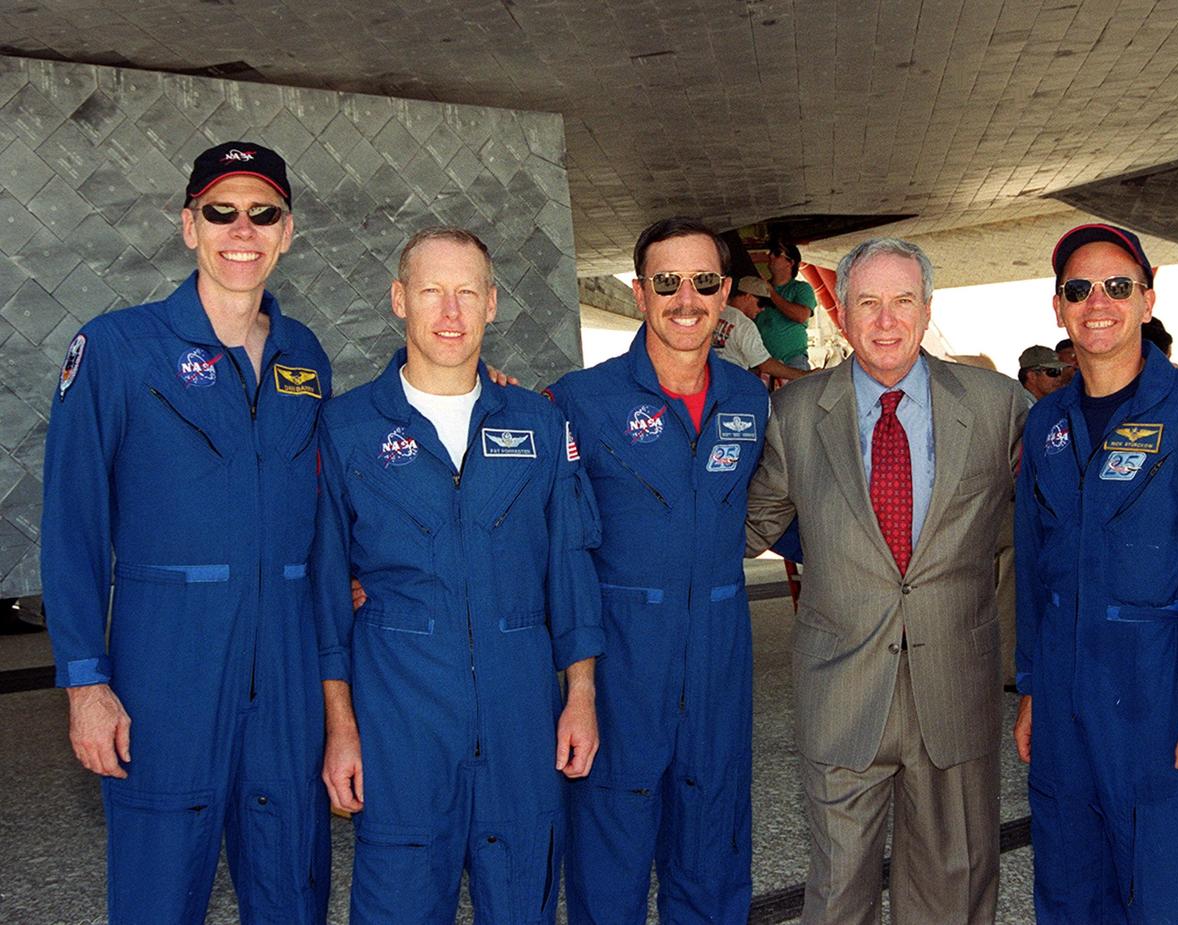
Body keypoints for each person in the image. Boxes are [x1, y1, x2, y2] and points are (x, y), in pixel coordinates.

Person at [41, 141, 332, 922]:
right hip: (166, 674)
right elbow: (71, 524)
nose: (243, 230)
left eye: (262, 213)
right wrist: (85, 682)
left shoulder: (305, 356)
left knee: (291, 886)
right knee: (159, 892)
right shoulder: (114, 349)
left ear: (288, 231)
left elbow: (334, 497)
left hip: (287, 680)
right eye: (221, 211)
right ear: (188, 226)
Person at [312, 228, 604, 923]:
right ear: (398, 299)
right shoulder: (346, 427)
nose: (450, 311)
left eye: (467, 292)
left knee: (523, 898)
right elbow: (324, 592)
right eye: (431, 291)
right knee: (399, 900)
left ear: (492, 304)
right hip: (400, 718)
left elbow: (569, 566)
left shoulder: (537, 422)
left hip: (520, 716)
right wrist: (340, 726)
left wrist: (582, 693)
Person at [746, 236, 1026, 924]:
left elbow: (1044, 537)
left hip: (955, 692)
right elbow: (743, 525)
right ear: (840, 312)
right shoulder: (795, 413)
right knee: (838, 894)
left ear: (927, 308)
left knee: (952, 891)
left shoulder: (998, 405)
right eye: (867, 302)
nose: (886, 319)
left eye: (903, 301)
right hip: (842, 695)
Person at [1014, 223, 1178, 923]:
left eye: (1118, 286)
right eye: (1080, 288)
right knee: (1067, 883)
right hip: (1063, 692)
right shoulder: (1047, 425)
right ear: (1059, 307)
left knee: (1162, 891)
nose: (1099, 301)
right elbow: (1036, 565)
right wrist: (1032, 684)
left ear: (1148, 300)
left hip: (1157, 691)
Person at [547, 217, 769, 923]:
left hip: (719, 673)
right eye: (666, 282)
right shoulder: (580, 401)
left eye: (704, 283)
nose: (686, 299)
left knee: (713, 860)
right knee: (608, 872)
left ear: (725, 293)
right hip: (621, 674)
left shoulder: (749, 400)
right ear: (640, 293)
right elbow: (540, 534)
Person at [716, 275, 807, 381]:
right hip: (732, 384)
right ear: (748, 296)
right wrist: (804, 375)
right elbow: (765, 365)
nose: (763, 309)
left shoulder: (716, 313)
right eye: (761, 303)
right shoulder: (744, 325)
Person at [756, 237, 818, 368]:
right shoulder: (759, 290)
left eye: (777, 253)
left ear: (790, 262)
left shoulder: (801, 288)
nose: (771, 256)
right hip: (762, 362)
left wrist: (771, 293)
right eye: (771, 252)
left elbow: (801, 316)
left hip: (792, 360)